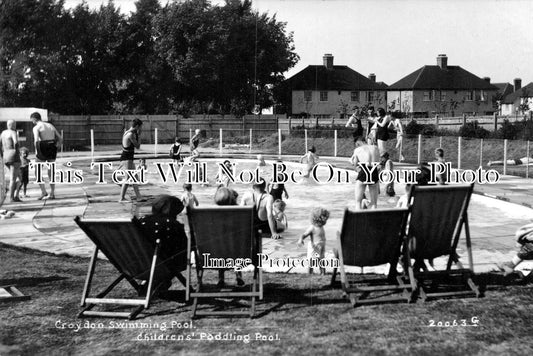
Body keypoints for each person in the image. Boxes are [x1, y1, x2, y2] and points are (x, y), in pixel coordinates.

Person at [137, 195, 189, 291]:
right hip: (162, 265)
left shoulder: (142, 221)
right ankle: (160, 281)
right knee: (173, 255)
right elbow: (184, 247)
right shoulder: (173, 224)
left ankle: (153, 282)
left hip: (138, 264)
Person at [214, 186, 245, 287]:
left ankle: (221, 278)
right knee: (236, 248)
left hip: (214, 253)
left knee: (220, 248)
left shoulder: (212, 214)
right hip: (236, 250)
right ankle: (239, 276)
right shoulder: (239, 213)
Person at [31, 112, 62, 200]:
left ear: (34, 119)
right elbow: (60, 138)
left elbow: (36, 141)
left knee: (38, 171)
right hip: (52, 146)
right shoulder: (50, 125)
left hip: (43, 147)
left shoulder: (36, 127)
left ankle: (44, 192)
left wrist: (37, 152)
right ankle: (52, 193)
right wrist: (57, 147)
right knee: (51, 171)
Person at [350, 136, 380, 210]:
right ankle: (373, 219)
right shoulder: (376, 148)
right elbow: (378, 164)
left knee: (358, 202)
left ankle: (358, 219)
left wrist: (354, 165)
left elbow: (355, 165)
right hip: (374, 172)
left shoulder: (357, 150)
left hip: (364, 171)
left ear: (358, 143)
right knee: (374, 204)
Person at [297, 207, 330, 275]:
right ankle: (310, 273)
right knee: (311, 260)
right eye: (324, 218)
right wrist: (301, 239)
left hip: (321, 245)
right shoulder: (312, 227)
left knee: (321, 259)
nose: (326, 220)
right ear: (318, 218)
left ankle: (323, 272)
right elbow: (304, 234)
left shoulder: (321, 226)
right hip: (314, 246)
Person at [118, 118, 143, 202]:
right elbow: (138, 146)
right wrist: (139, 136)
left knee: (134, 177)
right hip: (127, 158)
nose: (141, 129)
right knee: (128, 178)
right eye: (140, 127)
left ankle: (139, 197)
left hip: (128, 158)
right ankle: (121, 198)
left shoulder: (127, 132)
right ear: (137, 126)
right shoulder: (131, 135)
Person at [1, 120, 22, 202]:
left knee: (19, 178)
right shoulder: (13, 132)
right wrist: (17, 152)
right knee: (13, 179)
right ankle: (11, 198)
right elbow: (16, 142)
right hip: (13, 155)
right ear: (14, 125)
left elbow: (0, 144)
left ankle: (16, 196)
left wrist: (2, 155)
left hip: (5, 155)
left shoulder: (3, 133)